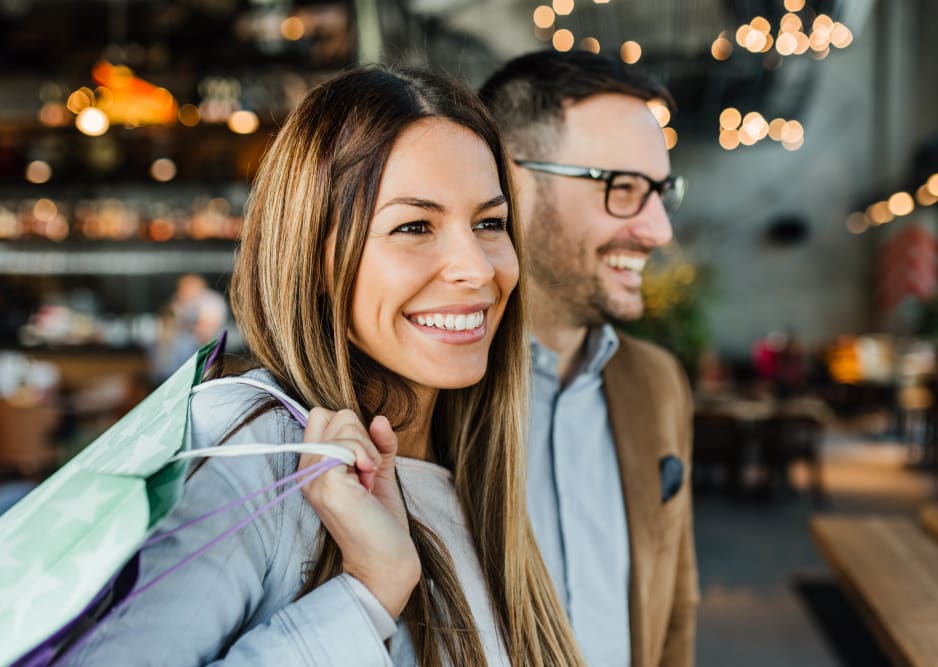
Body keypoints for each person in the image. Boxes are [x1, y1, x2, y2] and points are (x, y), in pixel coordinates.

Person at [69, 66, 583, 666]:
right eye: (414, 226)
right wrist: (365, 595)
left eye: (489, 223)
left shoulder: (477, 462)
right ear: (314, 258)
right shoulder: (246, 452)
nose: (476, 267)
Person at [480, 51, 699, 667]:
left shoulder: (657, 384)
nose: (658, 231)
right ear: (511, 185)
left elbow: (675, 606)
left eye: (659, 192)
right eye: (622, 188)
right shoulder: (430, 392)